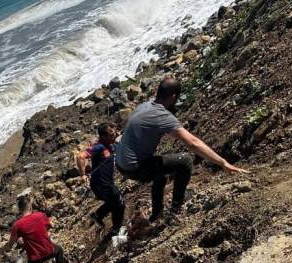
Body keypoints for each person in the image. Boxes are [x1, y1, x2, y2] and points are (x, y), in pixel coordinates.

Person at [115, 77, 248, 222]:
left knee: (160, 171)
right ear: (173, 97)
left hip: (120, 164)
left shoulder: (144, 106)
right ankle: (176, 207)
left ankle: (157, 214)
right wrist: (223, 163)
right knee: (185, 160)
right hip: (135, 168)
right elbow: (193, 143)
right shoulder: (161, 115)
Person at [76, 122, 124, 235]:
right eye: (111, 134)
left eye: (114, 133)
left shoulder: (110, 146)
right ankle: (117, 230)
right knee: (119, 203)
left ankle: (97, 215)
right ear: (103, 136)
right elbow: (80, 156)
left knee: (112, 202)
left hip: (103, 184)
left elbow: (119, 146)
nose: (114, 135)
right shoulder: (98, 147)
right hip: (101, 184)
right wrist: (82, 174)